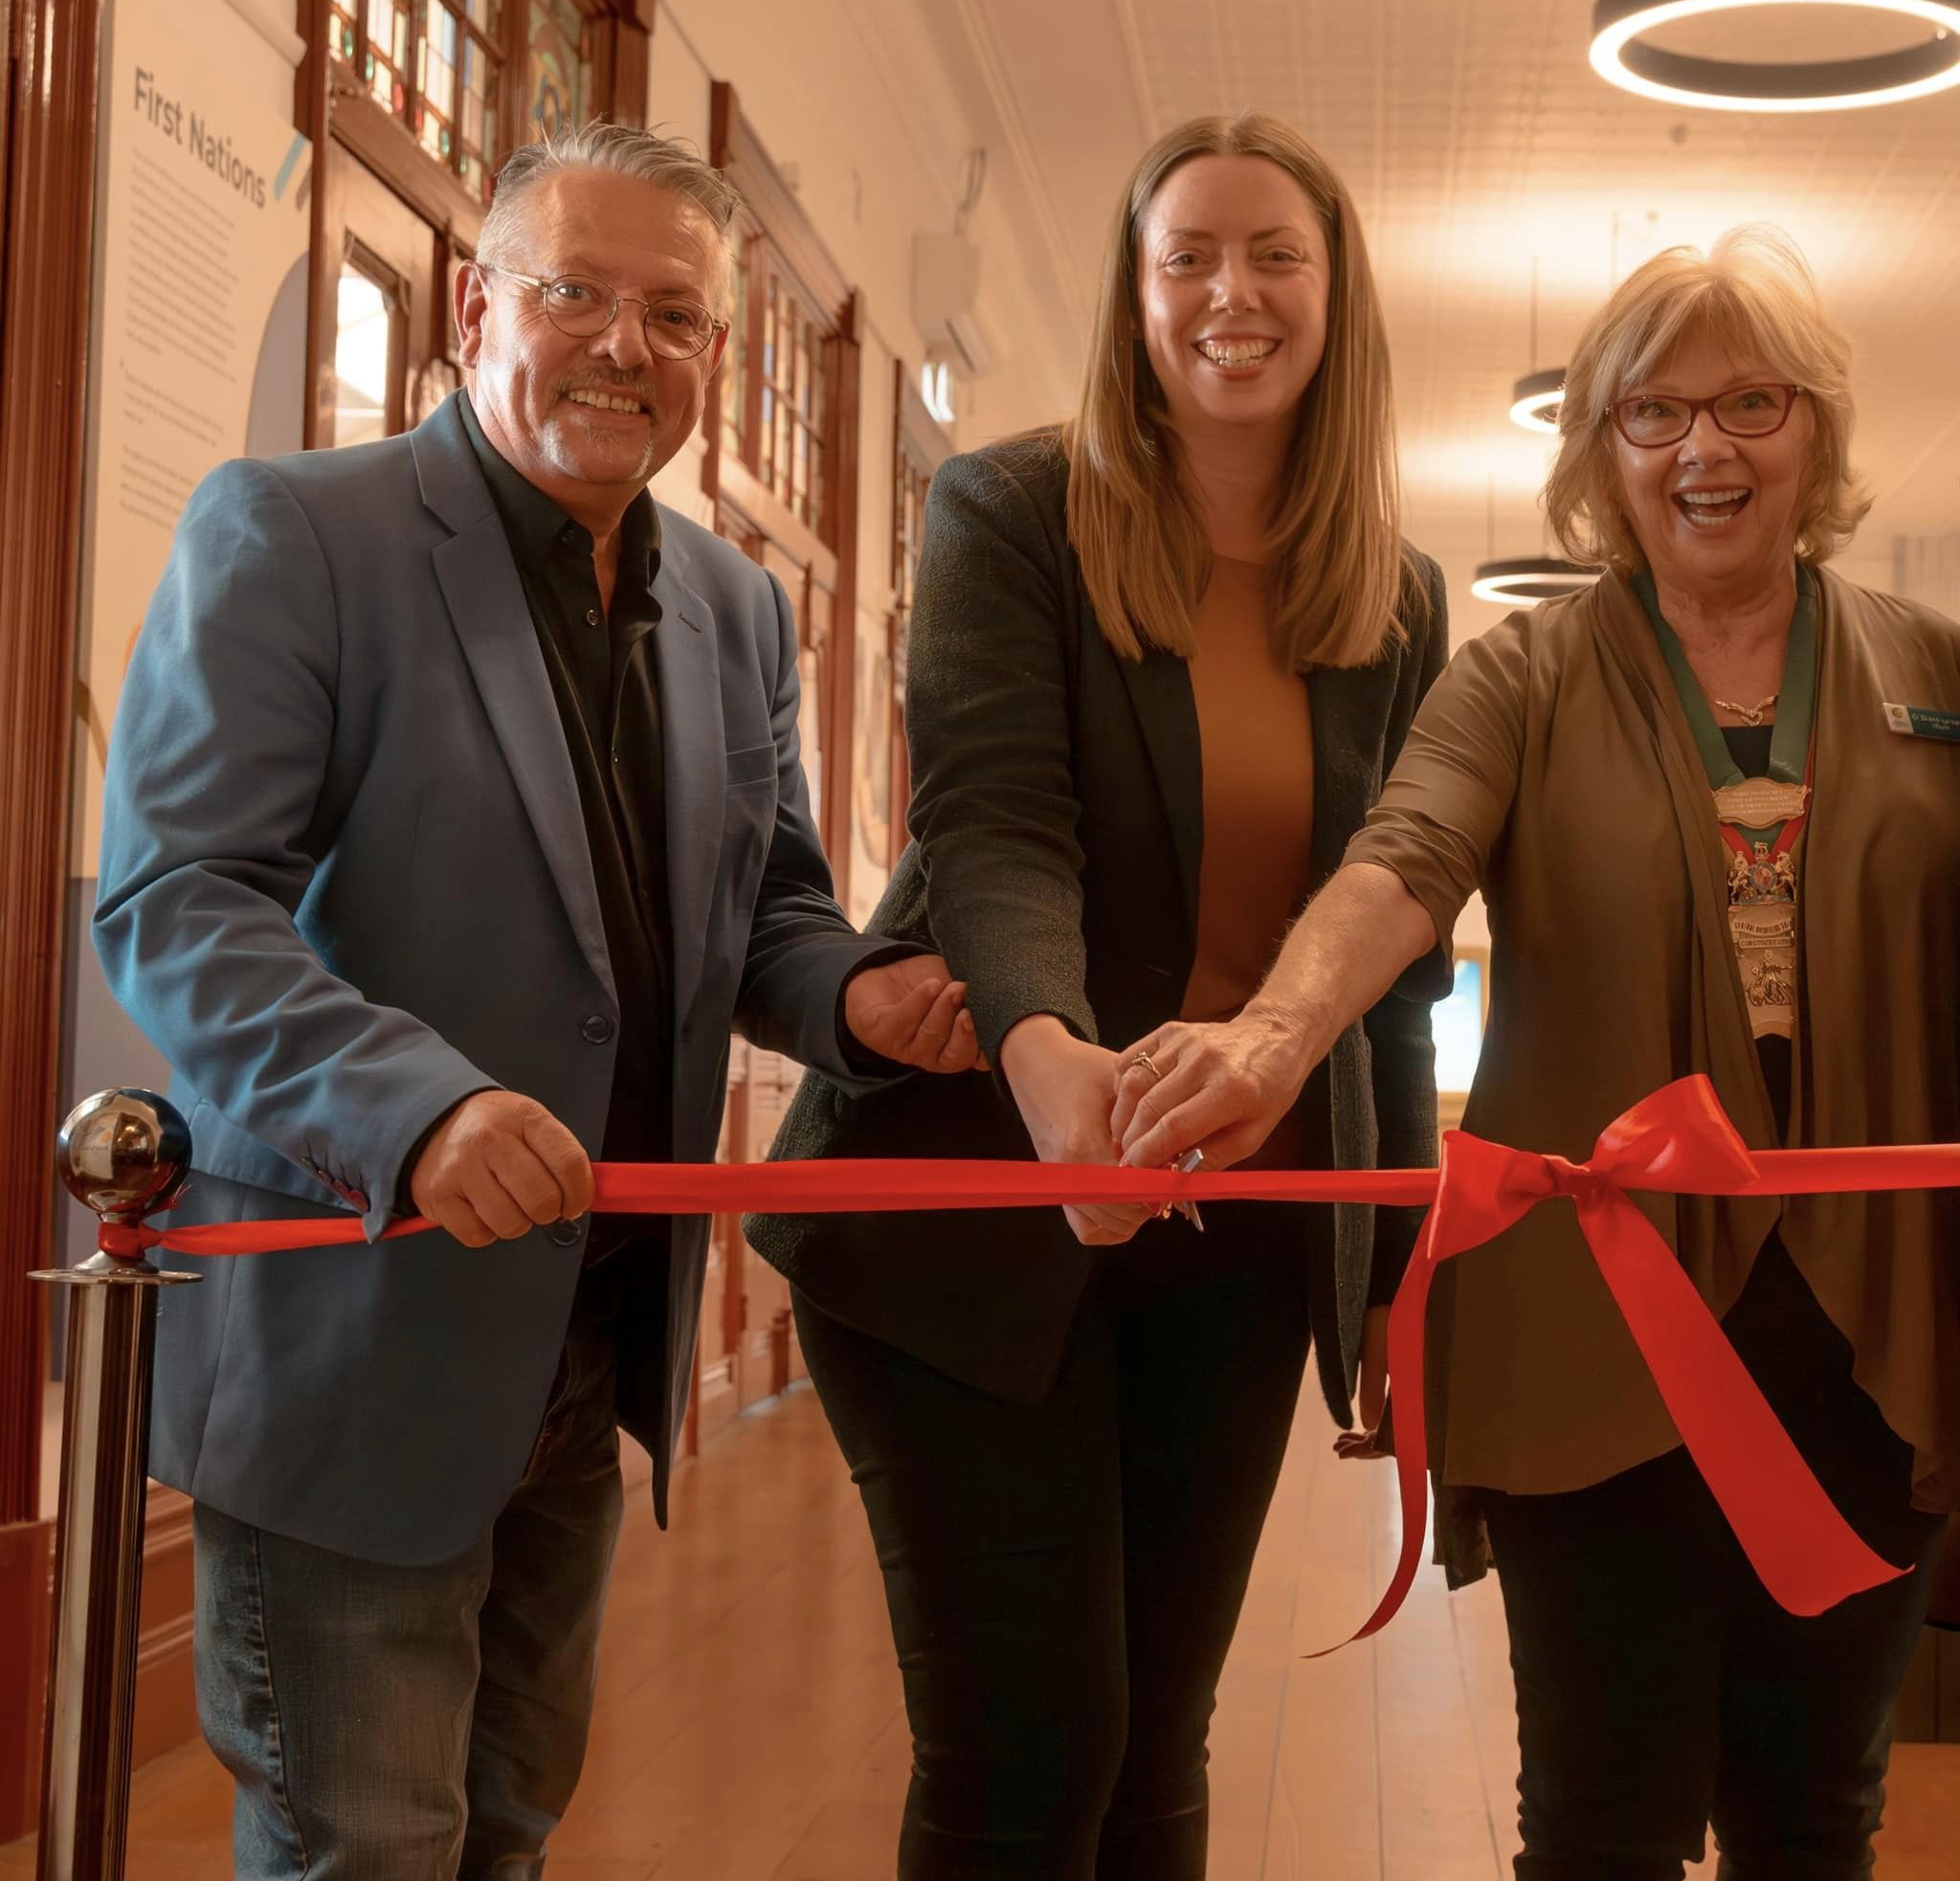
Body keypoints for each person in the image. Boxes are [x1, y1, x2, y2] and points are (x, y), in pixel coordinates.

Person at [93, 122, 980, 1879]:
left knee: (504, 1827)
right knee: (368, 1845)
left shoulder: (733, 605)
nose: (625, 346)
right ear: (473, 302)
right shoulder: (295, 531)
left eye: (675, 313)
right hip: (351, 1342)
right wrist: (417, 1105)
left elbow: (769, 904)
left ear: (716, 354)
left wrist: (867, 1001)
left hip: (582, 1345)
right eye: (577, 291)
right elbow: (181, 899)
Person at [1114, 225, 1958, 1879]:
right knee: (1603, 1821)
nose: (1705, 449)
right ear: (1598, 452)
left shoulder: (1931, 671)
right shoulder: (1522, 673)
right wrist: (1274, 1036)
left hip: (1877, 1326)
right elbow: (1404, 858)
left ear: (1818, 435)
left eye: (1752, 404)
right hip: (1602, 1319)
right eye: (1653, 413)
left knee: (1817, 1816)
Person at [746, 112, 1448, 1876]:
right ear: (1133, 297)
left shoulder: (1399, 593)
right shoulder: (1010, 509)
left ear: (1337, 293)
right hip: (971, 1203)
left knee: (1153, 1748)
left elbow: (1393, 930)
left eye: (1275, 254)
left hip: (1241, 1224)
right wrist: (1058, 1067)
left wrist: (1392, 1276)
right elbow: (996, 823)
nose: (1233, 292)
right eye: (1188, 256)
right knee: (1029, 1751)